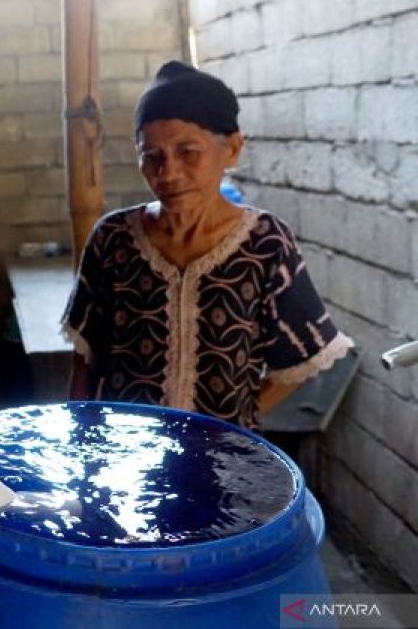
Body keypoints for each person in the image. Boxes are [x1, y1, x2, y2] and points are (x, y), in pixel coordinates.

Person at [63, 61, 351, 430]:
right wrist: (82, 436)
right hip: (128, 460)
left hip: (223, 462)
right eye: (151, 156)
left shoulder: (265, 244)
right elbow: (85, 356)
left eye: (188, 152)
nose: (168, 173)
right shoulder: (114, 238)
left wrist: (233, 424)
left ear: (231, 149)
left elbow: (304, 358)